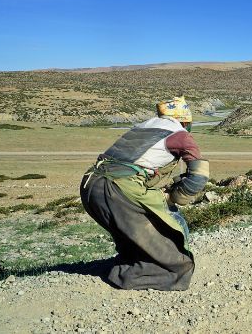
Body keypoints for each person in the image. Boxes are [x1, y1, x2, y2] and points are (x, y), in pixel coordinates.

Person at [80, 96, 209, 291]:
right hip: (118, 189)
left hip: (90, 185)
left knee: (135, 239)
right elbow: (199, 177)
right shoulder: (180, 134)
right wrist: (174, 197)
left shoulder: (143, 126)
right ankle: (126, 276)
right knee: (178, 265)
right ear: (185, 120)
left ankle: (129, 264)